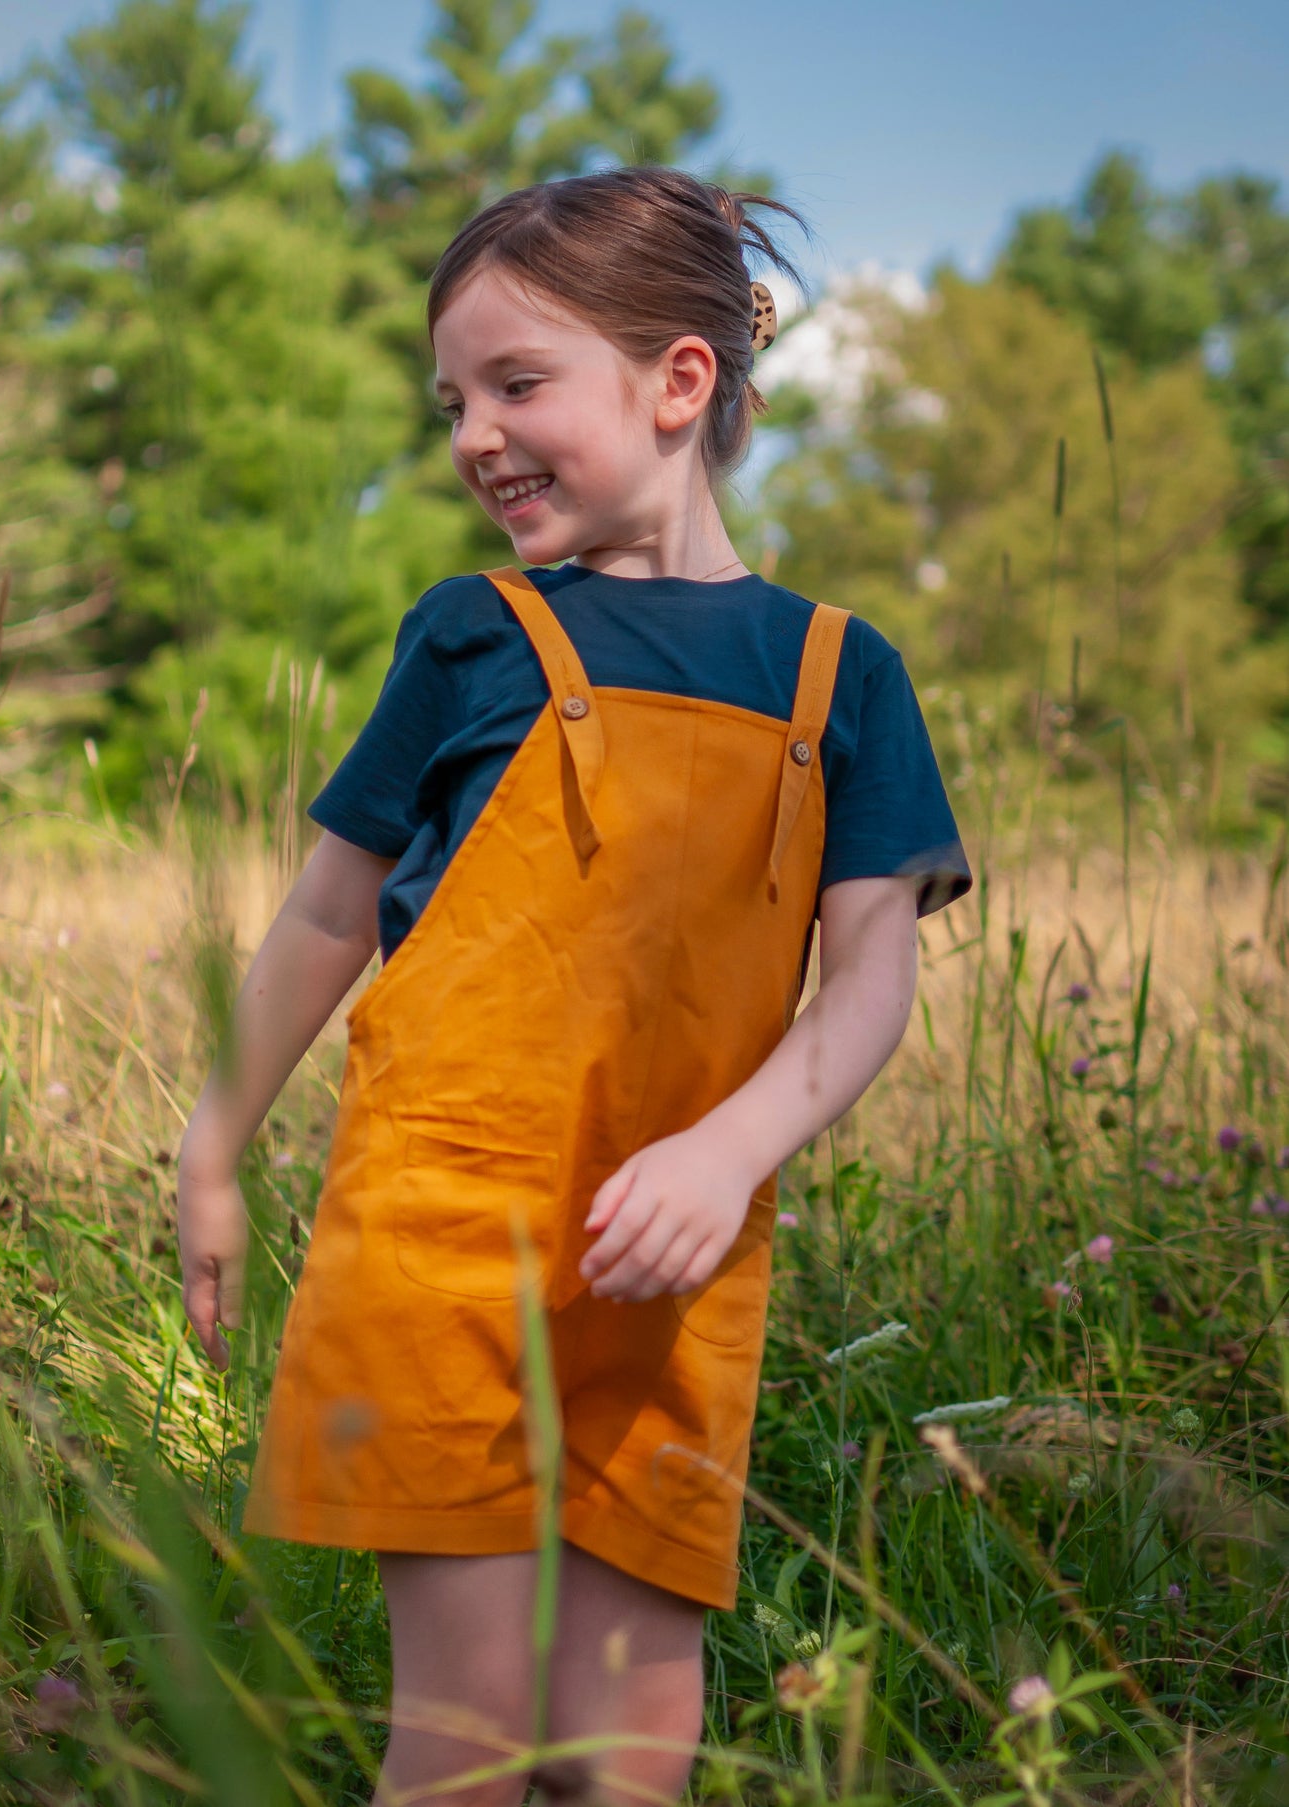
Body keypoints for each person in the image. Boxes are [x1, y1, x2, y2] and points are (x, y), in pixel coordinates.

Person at [176, 165, 972, 1807]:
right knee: (464, 1747)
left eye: (516, 383)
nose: (473, 433)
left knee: (628, 1757)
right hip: (437, 1247)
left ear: (679, 380)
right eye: (453, 397)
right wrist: (212, 1142)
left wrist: (728, 1150)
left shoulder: (843, 672)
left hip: (667, 1269)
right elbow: (329, 913)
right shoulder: (468, 635)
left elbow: (868, 982)